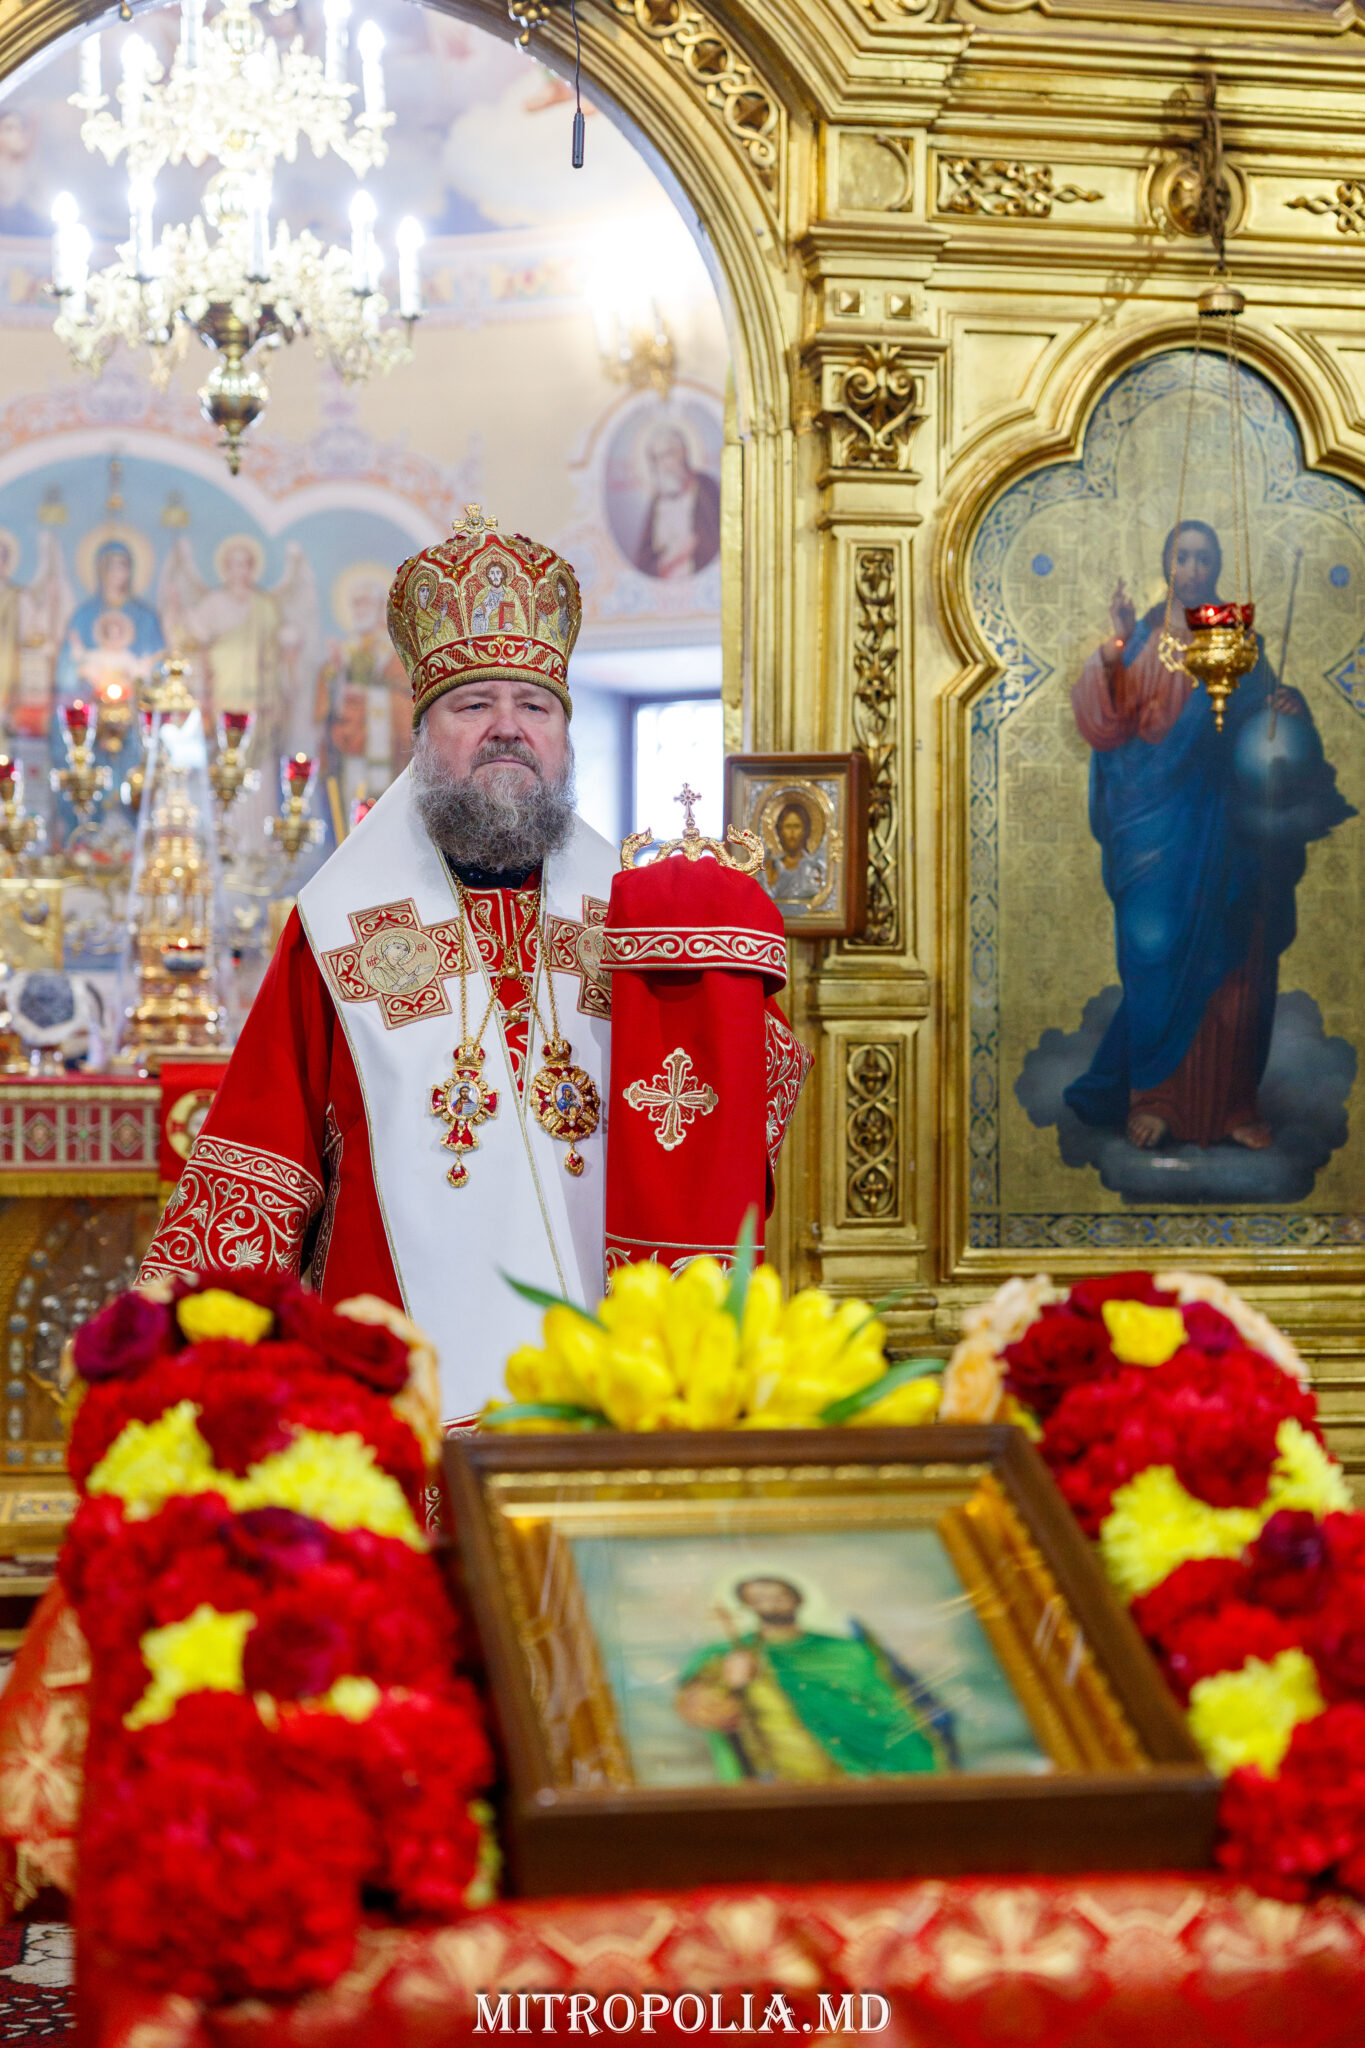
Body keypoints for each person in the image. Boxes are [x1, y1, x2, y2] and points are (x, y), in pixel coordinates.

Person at [139, 509, 809, 1423]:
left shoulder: (637, 924)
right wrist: (194, 1368)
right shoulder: (337, 928)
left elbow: (727, 1120)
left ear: (563, 735)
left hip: (616, 1367)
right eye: (472, 706)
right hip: (397, 1381)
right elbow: (260, 1162)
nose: (507, 729)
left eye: (534, 706)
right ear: (422, 738)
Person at [1065, 519, 1354, 1153]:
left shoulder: (1233, 635)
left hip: (1227, 825)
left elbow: (1263, 715)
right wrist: (1116, 648)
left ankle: (1232, 1104)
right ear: (1166, 564)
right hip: (1156, 826)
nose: (1193, 569)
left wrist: (1287, 705)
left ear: (1217, 566)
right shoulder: (1144, 637)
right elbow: (1107, 727)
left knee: (1237, 952)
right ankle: (1156, 1099)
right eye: (1183, 557)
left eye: (1204, 558)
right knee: (1158, 954)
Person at [674, 1575, 957, 1782]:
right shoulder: (728, 1654)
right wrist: (733, 1682)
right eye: (759, 1598)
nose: (771, 1602)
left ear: (798, 1598)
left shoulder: (845, 1650)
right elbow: (702, 1707)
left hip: (865, 1764)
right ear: (747, 1605)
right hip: (787, 1769)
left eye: (779, 1595)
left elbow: (889, 1704)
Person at [631, 427, 721, 580]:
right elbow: (644, 562)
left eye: (669, 454)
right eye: (656, 458)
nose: (664, 463)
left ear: (683, 452)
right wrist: (673, 558)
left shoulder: (706, 487)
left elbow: (720, 539)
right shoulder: (657, 501)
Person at [764, 798, 827, 905]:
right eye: (788, 827)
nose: (792, 833)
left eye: (797, 827)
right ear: (780, 831)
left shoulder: (814, 867)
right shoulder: (772, 866)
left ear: (805, 830)